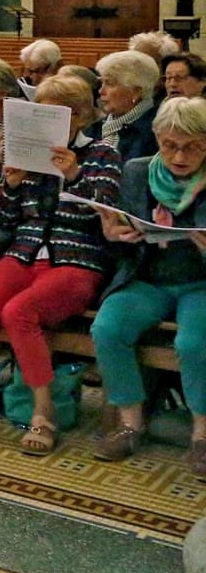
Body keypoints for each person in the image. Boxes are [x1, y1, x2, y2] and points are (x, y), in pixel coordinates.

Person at [0, 74, 120, 455]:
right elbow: (8, 224)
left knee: (18, 313)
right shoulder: (30, 152)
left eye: (49, 113)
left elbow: (104, 212)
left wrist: (74, 175)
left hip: (75, 258)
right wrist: (10, 186)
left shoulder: (102, 153)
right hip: (23, 252)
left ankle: (43, 414)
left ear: (76, 117)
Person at [90, 96, 206, 477]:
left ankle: (202, 435)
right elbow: (117, 237)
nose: (179, 156)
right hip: (149, 277)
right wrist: (113, 233)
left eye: (193, 147)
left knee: (193, 342)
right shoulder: (138, 171)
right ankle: (129, 423)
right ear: (156, 139)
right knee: (107, 328)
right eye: (169, 145)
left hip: (199, 283)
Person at [95, 49, 160, 162]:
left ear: (137, 91)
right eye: (102, 83)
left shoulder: (155, 133)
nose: (101, 91)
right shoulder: (94, 127)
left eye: (110, 83)